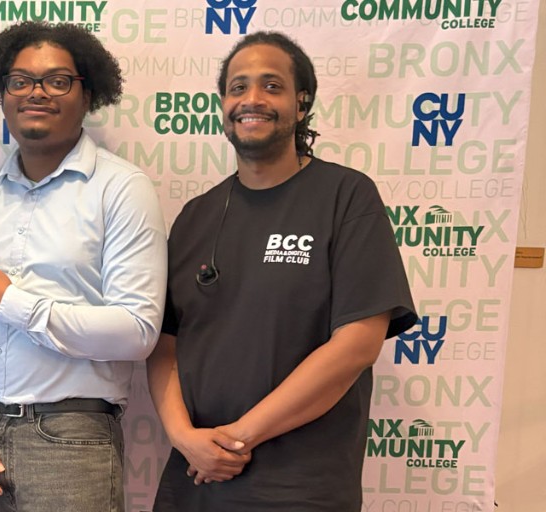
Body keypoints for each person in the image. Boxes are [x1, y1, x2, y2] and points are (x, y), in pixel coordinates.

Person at [148, 31, 418, 511]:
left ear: (301, 104)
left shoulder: (347, 197)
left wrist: (236, 439)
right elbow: (164, 347)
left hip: (299, 488)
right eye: (238, 87)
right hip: (194, 482)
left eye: (271, 86)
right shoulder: (195, 216)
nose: (251, 99)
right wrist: (184, 437)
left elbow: (357, 343)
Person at [0, 21, 167, 512]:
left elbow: (138, 330)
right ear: (2, 94)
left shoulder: (121, 189)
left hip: (72, 440)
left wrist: (13, 305)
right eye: (20, 80)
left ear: (88, 95)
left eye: (58, 80)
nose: (36, 92)